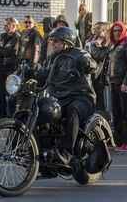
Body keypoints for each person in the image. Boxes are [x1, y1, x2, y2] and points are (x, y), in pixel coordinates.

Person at [38, 26, 97, 164]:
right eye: (52, 41)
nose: (53, 44)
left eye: (56, 41)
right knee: (42, 109)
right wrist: (31, 72)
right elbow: (45, 75)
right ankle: (42, 149)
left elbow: (92, 64)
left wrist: (87, 64)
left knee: (73, 110)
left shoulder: (79, 53)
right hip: (60, 98)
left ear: (66, 42)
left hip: (81, 97)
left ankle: (66, 152)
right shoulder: (53, 58)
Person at [108, 21, 127, 151]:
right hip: (114, 82)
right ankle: (118, 141)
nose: (116, 33)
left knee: (126, 113)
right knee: (116, 113)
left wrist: (125, 82)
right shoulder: (115, 45)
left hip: (124, 84)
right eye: (114, 30)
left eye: (119, 30)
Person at [0, 17, 21, 118]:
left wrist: (1, 50)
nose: (5, 27)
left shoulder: (18, 37)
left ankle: (11, 117)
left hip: (11, 70)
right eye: (5, 25)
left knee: (11, 95)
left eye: (7, 25)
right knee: (0, 95)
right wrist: (2, 51)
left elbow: (13, 53)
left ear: (14, 26)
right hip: (0, 69)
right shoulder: (1, 36)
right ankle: (1, 116)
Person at [87, 22, 110, 112]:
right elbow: (97, 55)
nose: (95, 31)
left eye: (97, 29)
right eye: (94, 29)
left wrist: (106, 45)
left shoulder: (107, 42)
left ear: (104, 31)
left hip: (103, 75)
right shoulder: (93, 41)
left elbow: (100, 55)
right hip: (96, 73)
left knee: (102, 97)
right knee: (98, 96)